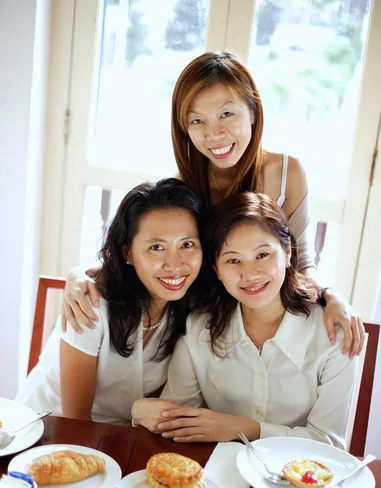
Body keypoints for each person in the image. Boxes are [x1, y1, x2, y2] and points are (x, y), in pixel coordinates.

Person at [62, 51, 364, 358]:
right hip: (200, 326)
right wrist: (80, 275)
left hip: (265, 322)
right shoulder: (184, 188)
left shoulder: (287, 174)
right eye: (197, 120)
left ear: (254, 111)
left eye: (227, 114)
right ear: (184, 128)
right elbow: (154, 254)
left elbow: (300, 259)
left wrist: (331, 295)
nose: (214, 134)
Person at [150, 192, 357, 449]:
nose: (250, 274)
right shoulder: (198, 329)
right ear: (216, 269)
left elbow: (329, 444)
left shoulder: (332, 335)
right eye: (233, 260)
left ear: (288, 252)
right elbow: (177, 422)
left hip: (300, 482)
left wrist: (243, 429)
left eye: (262, 255)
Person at [15, 179, 203, 426]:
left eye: (187, 244)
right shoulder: (91, 302)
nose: (175, 264)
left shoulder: (193, 309)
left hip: (120, 437)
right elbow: (76, 424)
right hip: (48, 431)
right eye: (156, 247)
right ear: (127, 253)